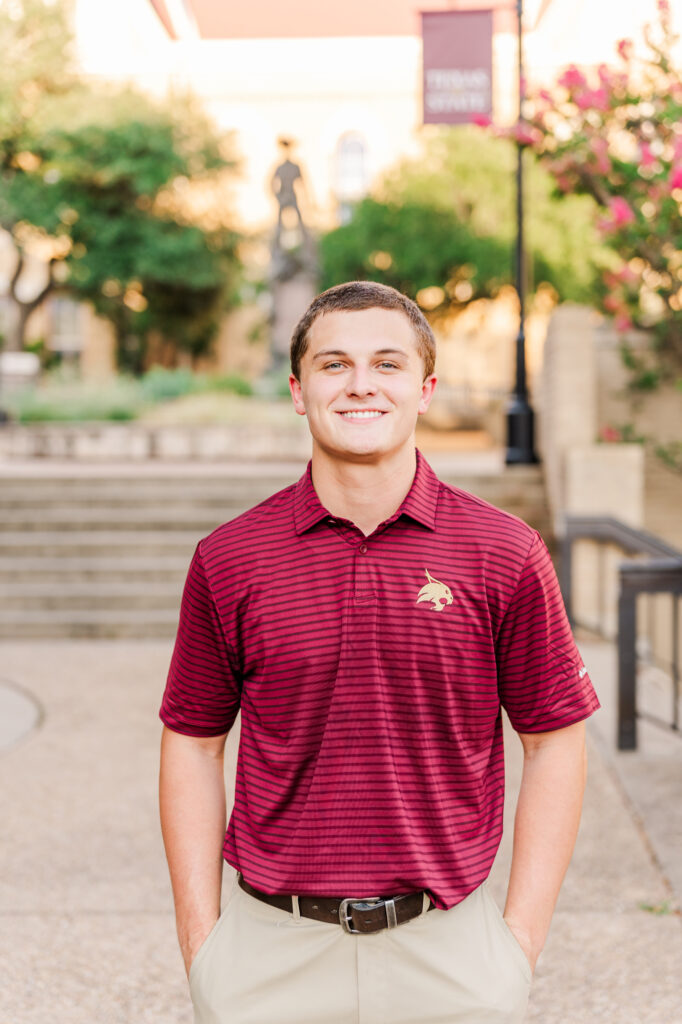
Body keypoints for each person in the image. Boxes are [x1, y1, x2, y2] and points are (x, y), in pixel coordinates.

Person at [158, 280, 600, 1024]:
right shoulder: (230, 559)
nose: (361, 384)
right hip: (269, 959)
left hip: (451, 956)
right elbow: (192, 746)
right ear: (298, 391)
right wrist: (205, 947)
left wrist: (515, 945)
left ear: (425, 389)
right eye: (334, 365)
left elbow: (554, 740)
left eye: (387, 364)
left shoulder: (504, 553)